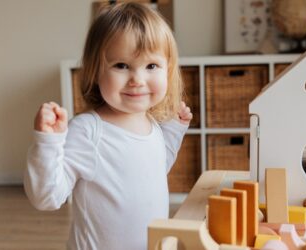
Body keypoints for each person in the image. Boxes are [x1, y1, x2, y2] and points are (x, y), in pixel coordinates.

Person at [24, 2, 192, 249]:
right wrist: (48, 143)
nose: (138, 80)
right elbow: (46, 197)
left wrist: (173, 131)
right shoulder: (88, 131)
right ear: (95, 71)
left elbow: (154, 170)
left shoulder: (152, 125)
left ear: (168, 71)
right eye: (122, 65)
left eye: (151, 66)